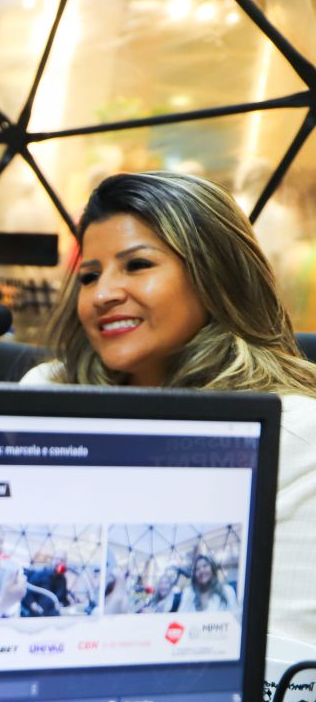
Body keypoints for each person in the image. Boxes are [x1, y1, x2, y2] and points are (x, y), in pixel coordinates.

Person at [20, 171, 316, 650]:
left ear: (214, 274)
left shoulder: (297, 435)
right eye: (89, 276)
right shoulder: (48, 392)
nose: (102, 294)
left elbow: (286, 667)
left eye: (137, 265)